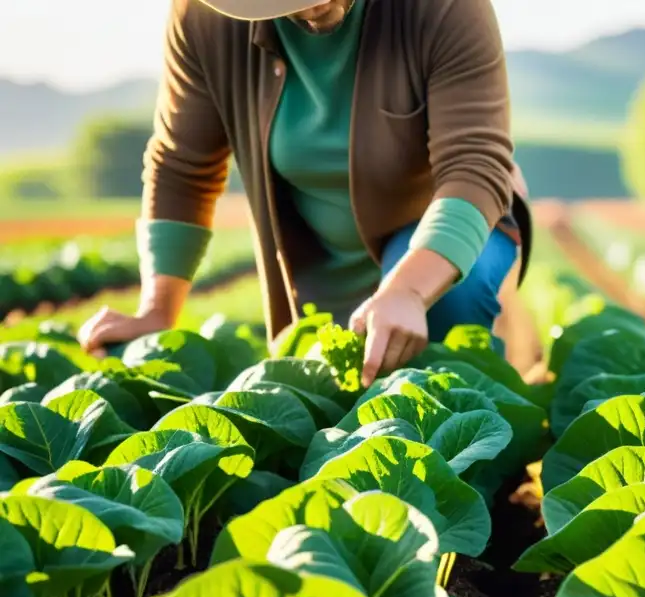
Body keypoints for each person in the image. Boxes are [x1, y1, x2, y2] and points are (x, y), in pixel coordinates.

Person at [76, 0, 536, 387]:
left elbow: (475, 163)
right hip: (319, 259)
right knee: (329, 396)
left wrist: (410, 290)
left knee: (446, 329)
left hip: (444, 231)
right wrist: (157, 310)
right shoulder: (204, 19)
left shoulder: (442, 8)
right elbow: (182, 165)